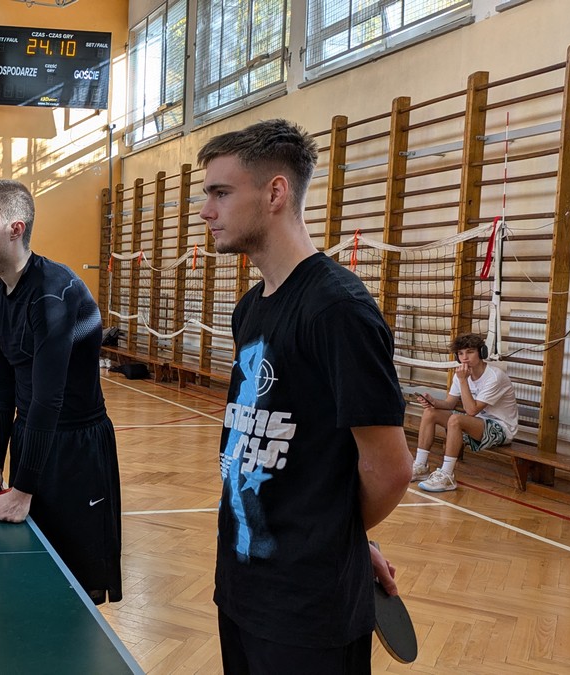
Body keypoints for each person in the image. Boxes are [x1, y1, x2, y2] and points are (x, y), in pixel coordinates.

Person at [198, 119, 412, 673]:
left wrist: (339, 540)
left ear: (275, 192)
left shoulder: (338, 310)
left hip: (308, 612)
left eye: (221, 193)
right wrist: (347, 537)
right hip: (240, 587)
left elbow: (391, 469)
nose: (205, 211)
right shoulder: (250, 308)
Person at [0, 179, 122, 605]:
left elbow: (49, 396)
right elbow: (1, 385)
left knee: (75, 582)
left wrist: (24, 489)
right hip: (33, 436)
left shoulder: (53, 292)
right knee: (33, 570)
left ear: (15, 228)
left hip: (76, 449)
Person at [414, 333, 518, 492]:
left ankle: (447, 475)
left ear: (481, 352)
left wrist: (463, 380)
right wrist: (433, 402)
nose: (464, 358)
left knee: (456, 420)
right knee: (430, 412)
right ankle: (420, 466)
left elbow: (471, 411)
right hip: (477, 423)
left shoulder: (495, 377)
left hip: (501, 429)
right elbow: (449, 403)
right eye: (461, 353)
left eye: (470, 352)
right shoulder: (461, 375)